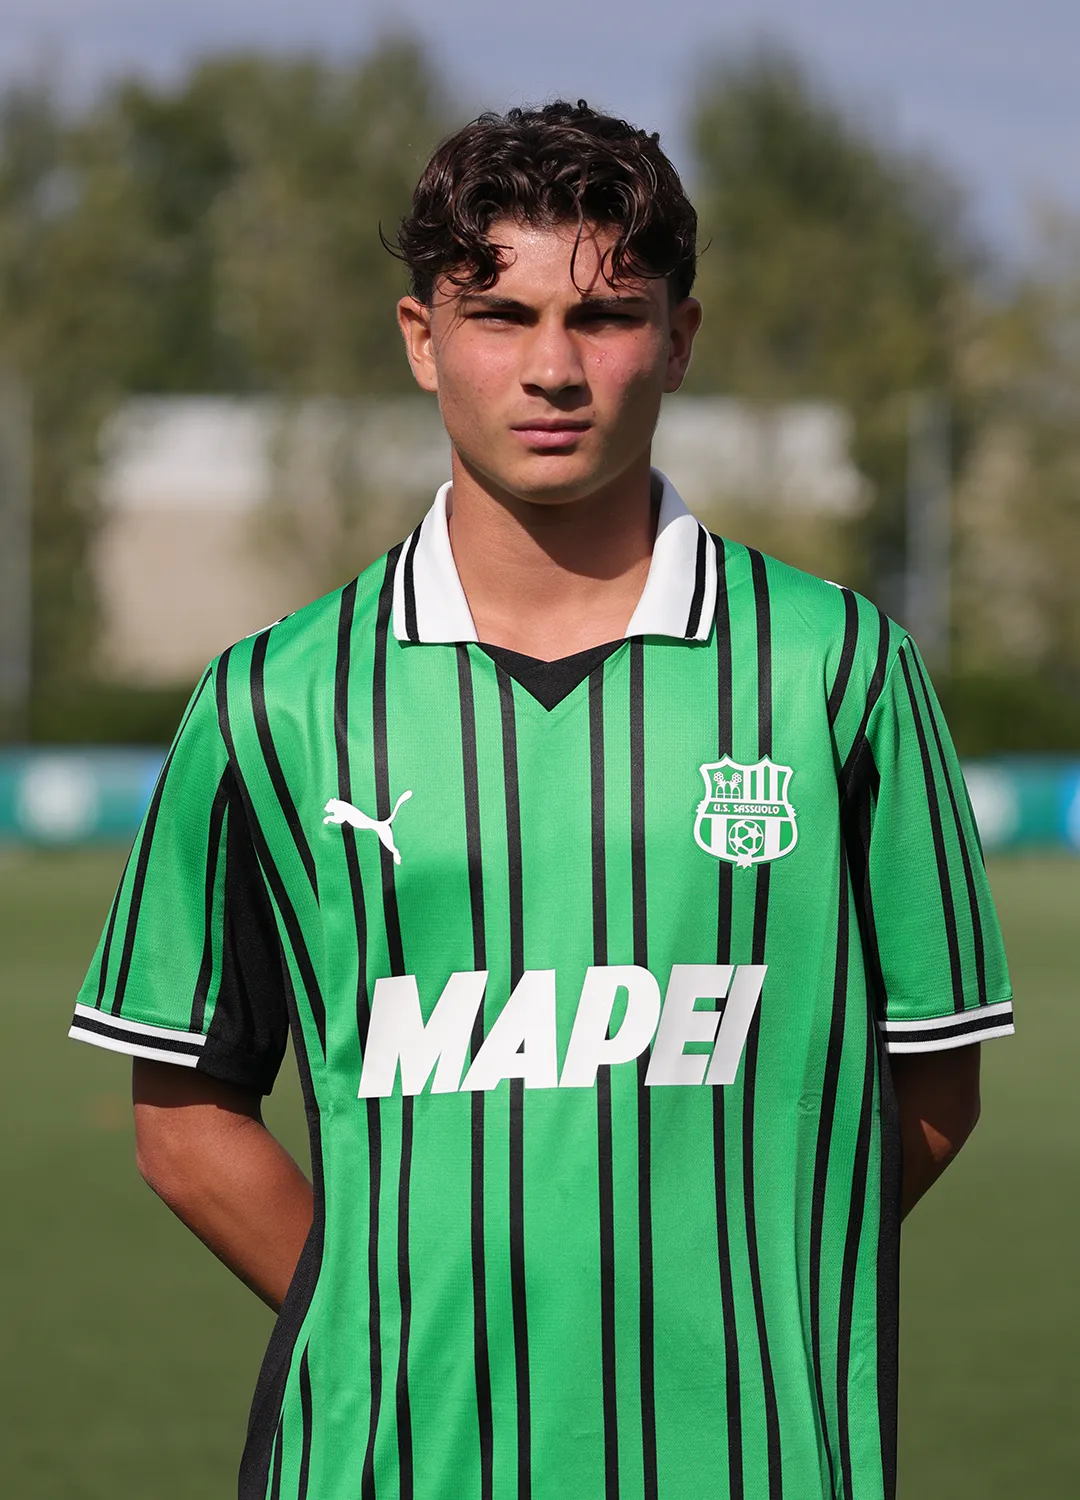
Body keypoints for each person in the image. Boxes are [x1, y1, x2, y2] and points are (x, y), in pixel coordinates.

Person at [69, 100, 1014, 1500]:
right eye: (501, 315)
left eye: (607, 316)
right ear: (421, 339)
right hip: (387, 1465)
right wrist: (395, 1315)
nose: (553, 368)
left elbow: (934, 1079)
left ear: (679, 340)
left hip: (751, 1460)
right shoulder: (274, 699)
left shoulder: (836, 672)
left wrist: (737, 1284)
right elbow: (184, 1119)